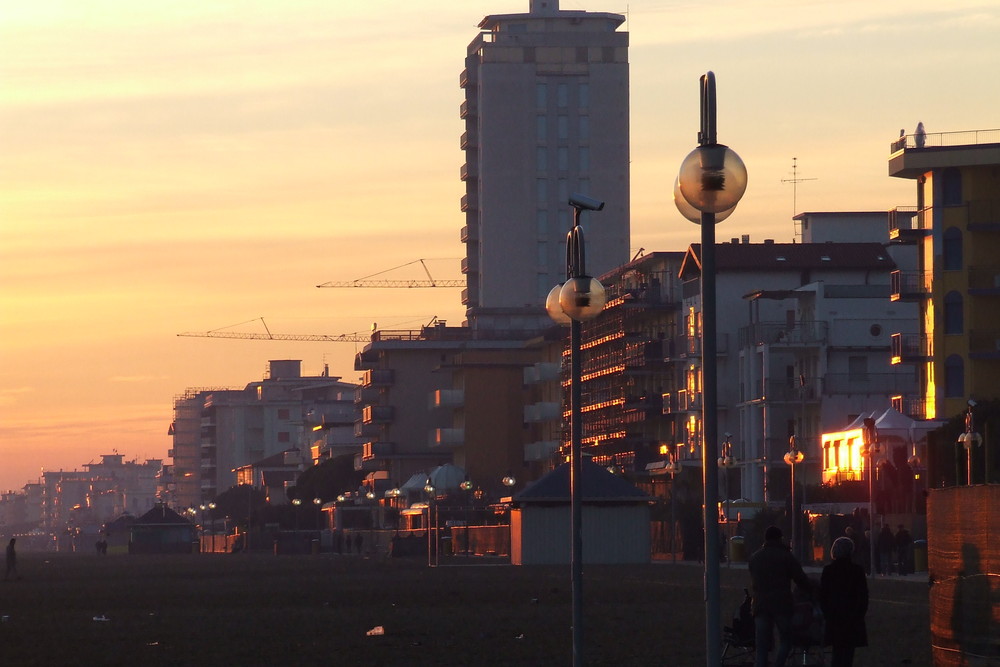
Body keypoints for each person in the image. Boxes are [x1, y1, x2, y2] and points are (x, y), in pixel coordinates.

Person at [748, 526, 812, 667]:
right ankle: (779, 663)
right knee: (786, 640)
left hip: (760, 605)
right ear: (780, 538)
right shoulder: (786, 556)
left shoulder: (755, 557)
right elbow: (800, 579)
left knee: (762, 646)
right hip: (781, 605)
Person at [820, 536, 869, 667]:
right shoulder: (857, 571)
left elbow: (823, 596)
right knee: (848, 653)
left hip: (834, 617)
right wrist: (859, 614)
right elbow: (863, 596)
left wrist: (827, 614)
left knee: (837, 651)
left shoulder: (828, 570)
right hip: (852, 617)